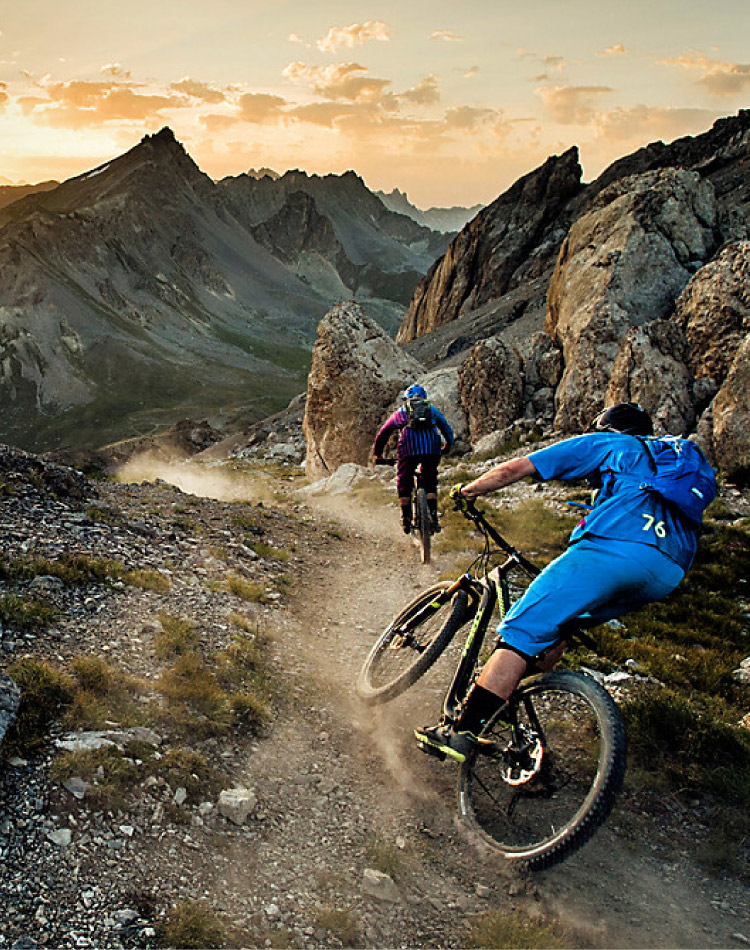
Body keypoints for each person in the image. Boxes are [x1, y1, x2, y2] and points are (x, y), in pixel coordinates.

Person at [415, 402, 715, 763]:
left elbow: (518, 467)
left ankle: (461, 732)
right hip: (669, 572)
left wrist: (467, 492)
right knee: (557, 629)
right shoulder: (672, 464)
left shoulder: (614, 445)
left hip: (614, 552)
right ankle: (517, 723)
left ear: (609, 428)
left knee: (520, 631)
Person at [372, 384, 455, 534]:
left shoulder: (402, 411)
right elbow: (446, 428)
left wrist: (378, 454)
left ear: (407, 398)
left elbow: (384, 433)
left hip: (409, 449)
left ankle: (406, 519)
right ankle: (433, 517)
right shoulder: (431, 410)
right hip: (432, 448)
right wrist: (448, 445)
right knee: (429, 480)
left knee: (404, 480)